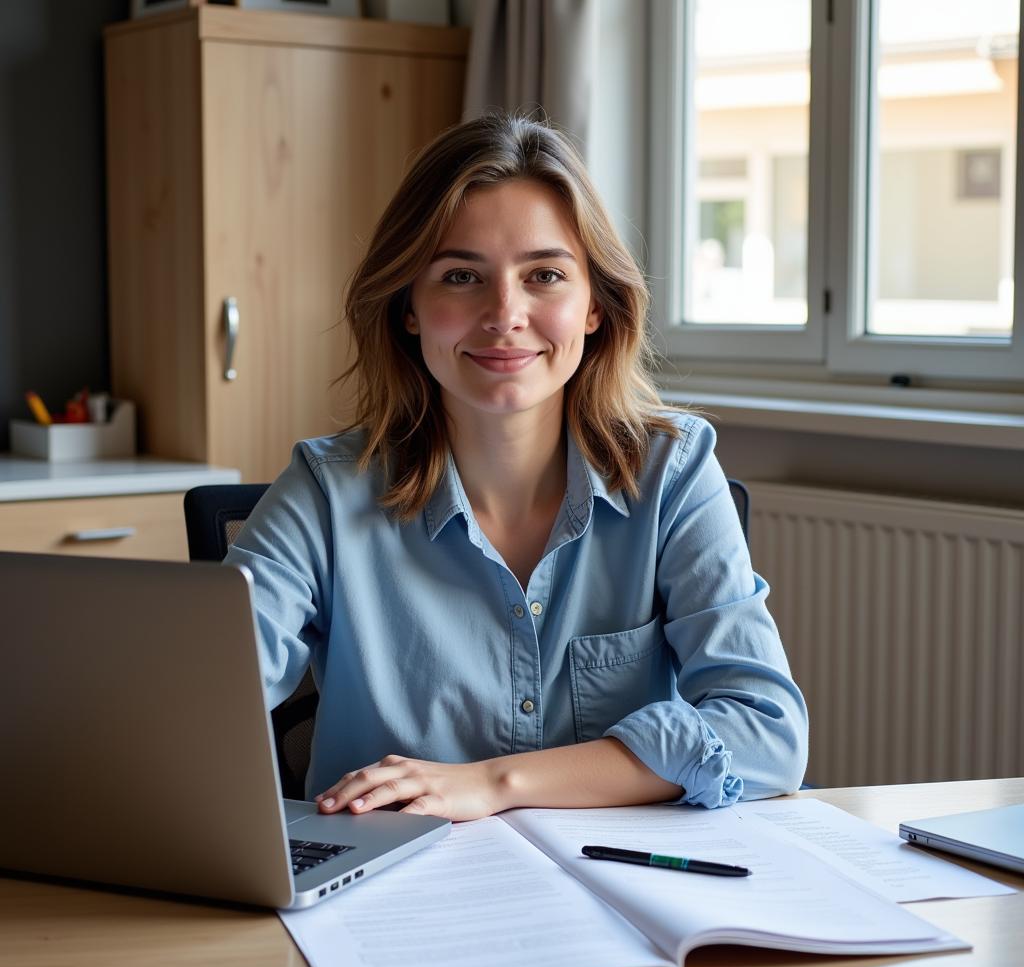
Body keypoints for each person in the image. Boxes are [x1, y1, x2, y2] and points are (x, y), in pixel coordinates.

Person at [225, 112, 808, 822]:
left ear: (594, 305)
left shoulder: (674, 474)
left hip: (617, 896)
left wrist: (495, 784)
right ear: (409, 307)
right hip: (383, 898)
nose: (505, 314)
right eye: (461, 275)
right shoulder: (324, 490)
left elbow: (767, 733)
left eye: (544, 275)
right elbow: (204, 706)